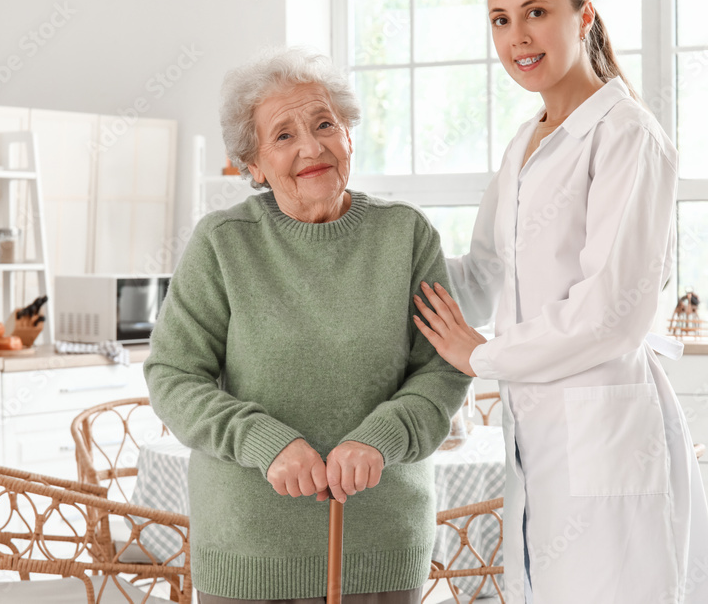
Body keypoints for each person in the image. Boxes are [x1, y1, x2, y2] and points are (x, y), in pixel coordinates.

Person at [412, 0, 708, 604]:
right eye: (499, 19)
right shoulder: (523, 143)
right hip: (536, 428)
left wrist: (485, 353)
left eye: (535, 12)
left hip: (604, 423)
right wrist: (381, 257)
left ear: (584, 18)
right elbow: (487, 271)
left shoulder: (626, 135)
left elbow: (612, 313)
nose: (516, 36)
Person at [145, 46, 471, 604]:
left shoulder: (407, 235)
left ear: (349, 133)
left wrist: (382, 437)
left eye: (325, 124)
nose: (311, 147)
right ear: (252, 165)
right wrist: (264, 441)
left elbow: (442, 368)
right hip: (249, 550)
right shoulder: (223, 243)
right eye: (283, 136)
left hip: (382, 549)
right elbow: (174, 376)